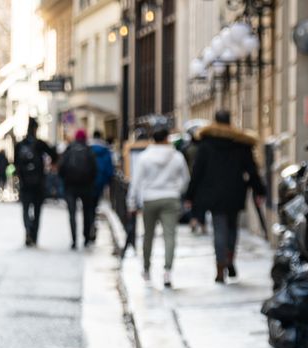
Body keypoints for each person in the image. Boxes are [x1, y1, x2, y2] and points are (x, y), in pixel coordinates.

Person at [184, 109, 265, 284]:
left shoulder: (205, 145)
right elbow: (251, 170)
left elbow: (197, 172)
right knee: (232, 228)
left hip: (213, 193)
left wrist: (190, 195)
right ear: (230, 122)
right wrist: (259, 190)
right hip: (235, 191)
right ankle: (230, 259)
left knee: (219, 230)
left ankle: (220, 268)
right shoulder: (240, 143)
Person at [128, 126, 190, 287]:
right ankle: (167, 271)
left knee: (148, 235)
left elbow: (136, 182)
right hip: (170, 198)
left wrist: (132, 202)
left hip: (150, 198)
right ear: (166, 138)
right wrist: (177, 190)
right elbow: (185, 179)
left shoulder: (144, 157)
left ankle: (147, 269)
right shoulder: (177, 156)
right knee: (170, 236)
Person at [13, 118, 58, 247]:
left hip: (24, 183)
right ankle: (34, 236)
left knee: (26, 209)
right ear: (36, 129)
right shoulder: (40, 144)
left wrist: (20, 176)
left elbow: (15, 163)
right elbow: (53, 155)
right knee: (37, 210)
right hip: (39, 183)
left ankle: (28, 230)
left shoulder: (20, 145)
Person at [58, 129, 98, 248]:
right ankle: (85, 238)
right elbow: (95, 169)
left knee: (72, 213)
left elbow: (61, 168)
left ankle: (74, 239)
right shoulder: (89, 150)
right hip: (86, 187)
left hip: (70, 187)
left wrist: (65, 181)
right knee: (86, 212)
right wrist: (90, 182)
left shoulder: (69, 149)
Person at [90, 130, 114, 204]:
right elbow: (109, 165)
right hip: (101, 177)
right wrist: (109, 178)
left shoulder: (88, 148)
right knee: (96, 198)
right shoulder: (105, 149)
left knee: (89, 199)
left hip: (89, 177)